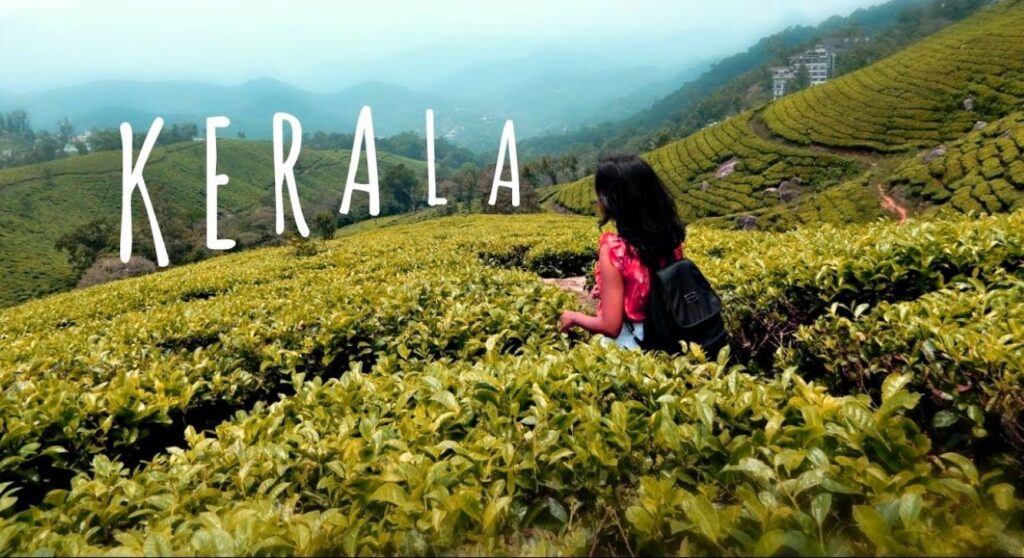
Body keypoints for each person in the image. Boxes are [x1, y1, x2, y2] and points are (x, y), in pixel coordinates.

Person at [560, 155, 686, 349]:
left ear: (613, 199)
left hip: (632, 345)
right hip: (670, 337)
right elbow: (657, 286)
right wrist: (610, 291)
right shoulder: (671, 239)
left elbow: (611, 327)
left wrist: (574, 317)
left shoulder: (615, 250)